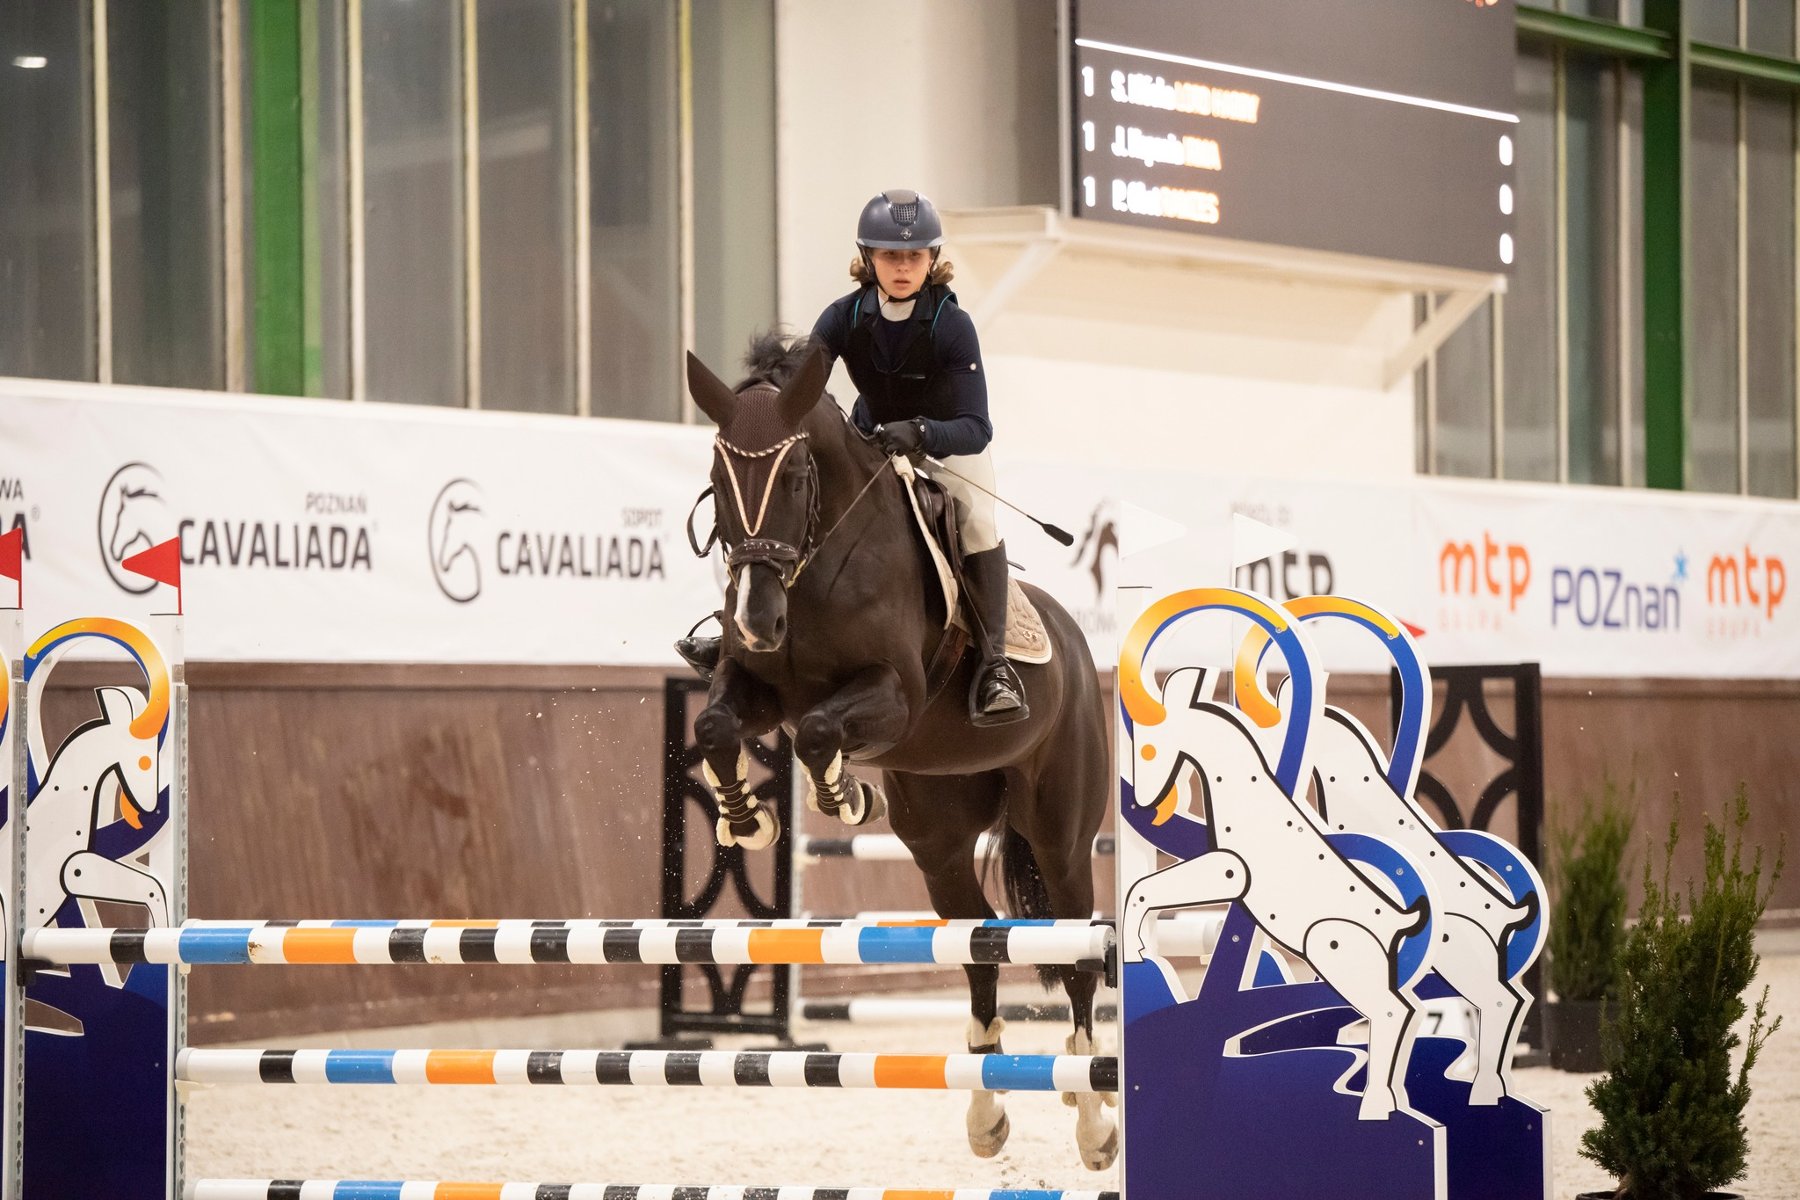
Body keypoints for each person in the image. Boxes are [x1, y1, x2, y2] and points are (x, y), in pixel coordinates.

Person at [677, 188, 1027, 726]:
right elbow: (800, 380)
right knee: (780, 500)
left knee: (978, 521)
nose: (903, 267)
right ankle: (735, 635)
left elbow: (977, 428)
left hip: (945, 447)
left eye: (915, 256)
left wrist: (921, 431)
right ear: (868, 259)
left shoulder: (953, 326)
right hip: (874, 443)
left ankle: (995, 663)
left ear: (933, 258)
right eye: (891, 256)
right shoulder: (843, 316)